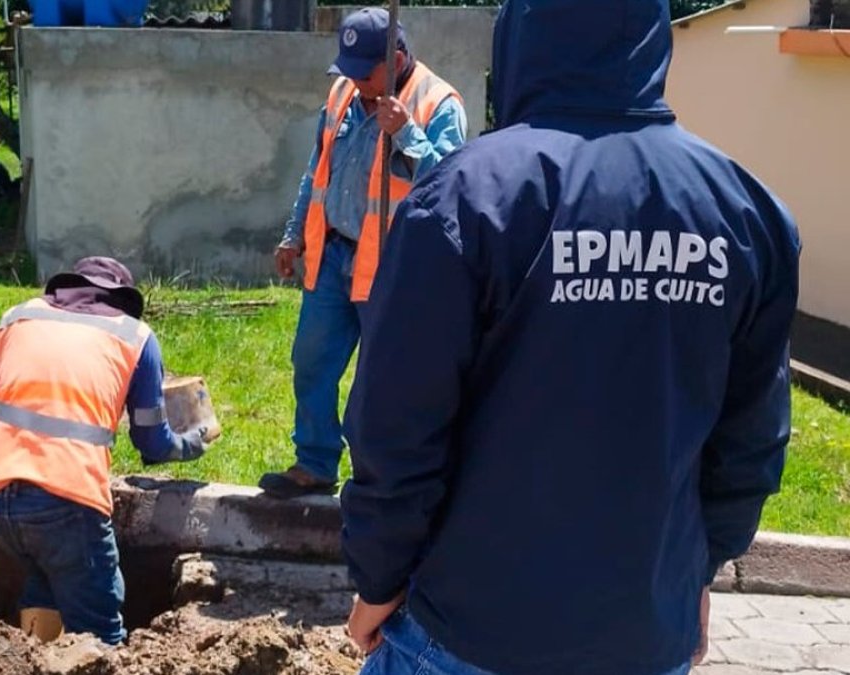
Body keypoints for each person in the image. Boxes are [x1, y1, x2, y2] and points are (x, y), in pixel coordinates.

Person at [340, 1, 801, 674]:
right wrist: (696, 574)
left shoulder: (465, 200)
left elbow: (396, 426)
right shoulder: (748, 213)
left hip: (469, 632)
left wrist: (377, 577)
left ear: (522, 34)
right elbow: (751, 441)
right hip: (642, 632)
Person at [258, 7, 468, 499]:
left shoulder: (437, 104)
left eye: (365, 71)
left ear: (396, 59)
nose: (354, 80)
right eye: (348, 69)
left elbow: (453, 186)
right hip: (334, 256)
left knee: (382, 383)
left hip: (394, 267)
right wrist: (295, 235)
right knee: (311, 361)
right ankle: (314, 462)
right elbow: (319, 168)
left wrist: (407, 134)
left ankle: (379, 479)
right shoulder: (345, 93)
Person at [0, 256, 209, 645]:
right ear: (122, 300)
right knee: (98, 629)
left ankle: (37, 655)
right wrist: (190, 444)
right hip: (66, 497)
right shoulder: (135, 337)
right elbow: (152, 440)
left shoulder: (19, 317)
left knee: (45, 581)